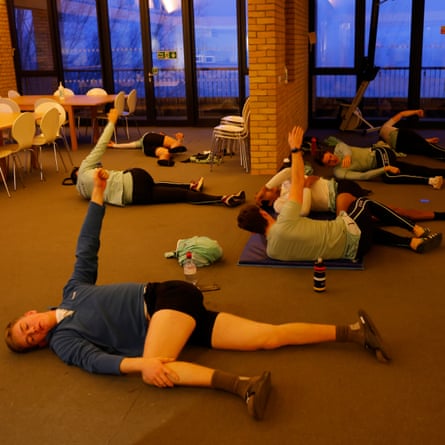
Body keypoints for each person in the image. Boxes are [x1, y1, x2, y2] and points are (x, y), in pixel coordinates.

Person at [5, 168, 391, 421]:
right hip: (173, 322)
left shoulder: (72, 291)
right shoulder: (65, 343)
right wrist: (140, 364)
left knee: (156, 363)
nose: (35, 331)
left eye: (27, 326)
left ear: (29, 312)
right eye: (31, 339)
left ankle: (243, 386)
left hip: (164, 300)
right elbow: (95, 361)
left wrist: (99, 195)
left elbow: (86, 247)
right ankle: (353, 331)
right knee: (265, 337)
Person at [238, 126, 443, 262]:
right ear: (265, 213)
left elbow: (290, 176)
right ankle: (417, 229)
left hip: (352, 250)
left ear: (253, 232)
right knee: (364, 205)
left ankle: (411, 242)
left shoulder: (271, 251)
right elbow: (299, 180)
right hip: (350, 233)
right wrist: (295, 150)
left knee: (364, 224)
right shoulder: (284, 215)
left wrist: (270, 186)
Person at [70, 108, 245, 208]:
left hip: (134, 195)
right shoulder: (85, 167)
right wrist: (111, 123)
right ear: (78, 171)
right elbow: (100, 148)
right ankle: (190, 182)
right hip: (134, 176)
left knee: (179, 195)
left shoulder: (83, 193)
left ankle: (221, 198)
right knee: (158, 183)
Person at [255, 168, 445, 222]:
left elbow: (290, 170)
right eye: (267, 192)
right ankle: (435, 215)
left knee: (347, 221)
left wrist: (266, 186)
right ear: (268, 201)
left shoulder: (286, 182)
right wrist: (304, 185)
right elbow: (304, 211)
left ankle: (432, 216)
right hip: (335, 199)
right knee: (385, 213)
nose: (272, 189)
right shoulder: (279, 204)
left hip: (340, 187)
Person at [317, 137, 445, 189]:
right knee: (409, 169)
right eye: (329, 162)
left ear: (330, 152)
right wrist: (385, 168)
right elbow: (363, 176)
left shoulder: (338, 148)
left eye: (330, 156)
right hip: (380, 164)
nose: (332, 159)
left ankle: (430, 181)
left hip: (379, 152)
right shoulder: (339, 172)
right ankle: (437, 175)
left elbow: (344, 147)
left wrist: (348, 156)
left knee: (389, 177)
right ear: (327, 166)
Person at [379, 109, 445, 160]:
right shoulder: (385, 126)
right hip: (401, 136)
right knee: (428, 147)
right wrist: (416, 111)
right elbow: (401, 114)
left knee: (425, 150)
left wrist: (426, 140)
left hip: (400, 146)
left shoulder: (381, 141)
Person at [108, 130, 187, 167]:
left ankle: (163, 160)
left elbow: (131, 145)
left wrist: (115, 145)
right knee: (173, 144)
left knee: (166, 152)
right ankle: (176, 145)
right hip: (149, 140)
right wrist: (179, 139)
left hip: (146, 149)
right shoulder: (154, 135)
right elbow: (131, 145)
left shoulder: (141, 141)